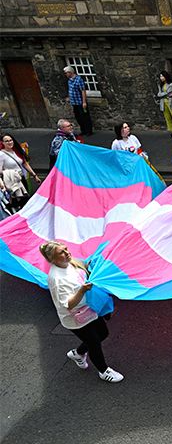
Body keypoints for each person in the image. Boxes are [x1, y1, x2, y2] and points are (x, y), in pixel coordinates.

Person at [39, 241, 124, 383]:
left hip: (89, 309)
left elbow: (83, 268)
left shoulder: (71, 262)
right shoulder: (57, 279)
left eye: (65, 249)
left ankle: (78, 353)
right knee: (94, 343)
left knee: (103, 334)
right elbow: (68, 305)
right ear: (53, 259)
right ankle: (103, 371)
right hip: (76, 318)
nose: (66, 253)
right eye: (61, 252)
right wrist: (82, 290)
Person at [1, 133, 40, 212]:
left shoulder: (17, 151)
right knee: (17, 203)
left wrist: (34, 175)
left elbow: (24, 163)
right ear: (2, 143)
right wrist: (2, 186)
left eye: (11, 140)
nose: (9, 142)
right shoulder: (1, 154)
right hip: (11, 182)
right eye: (7, 141)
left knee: (25, 200)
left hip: (21, 179)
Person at [63, 65, 93, 136]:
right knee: (78, 117)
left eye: (66, 73)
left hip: (80, 102)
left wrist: (84, 102)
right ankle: (83, 130)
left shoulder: (79, 79)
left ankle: (89, 131)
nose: (66, 75)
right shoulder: (69, 81)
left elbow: (83, 91)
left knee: (85, 117)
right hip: (74, 102)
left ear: (70, 72)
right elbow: (70, 90)